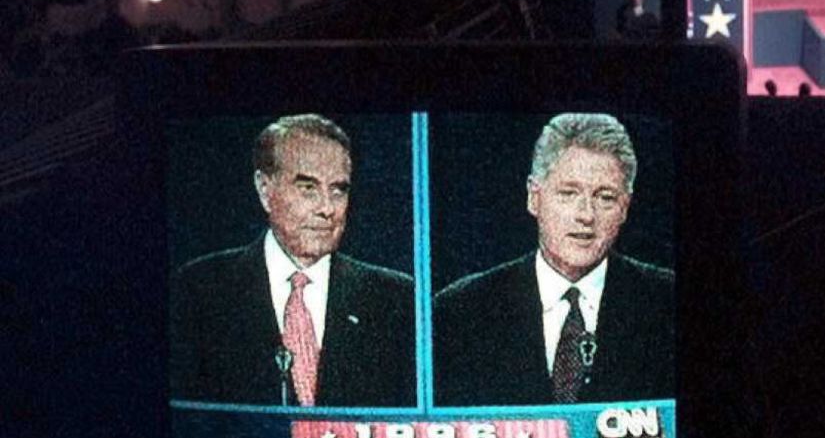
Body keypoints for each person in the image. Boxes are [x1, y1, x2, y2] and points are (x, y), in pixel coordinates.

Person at [170, 115, 414, 407]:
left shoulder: (396, 299)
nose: (327, 208)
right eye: (308, 188)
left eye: (338, 190)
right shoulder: (200, 289)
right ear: (264, 189)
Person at [435, 113, 674, 406]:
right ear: (534, 198)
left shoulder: (668, 301)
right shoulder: (462, 310)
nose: (586, 215)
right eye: (568, 193)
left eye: (605, 197)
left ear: (625, 208)